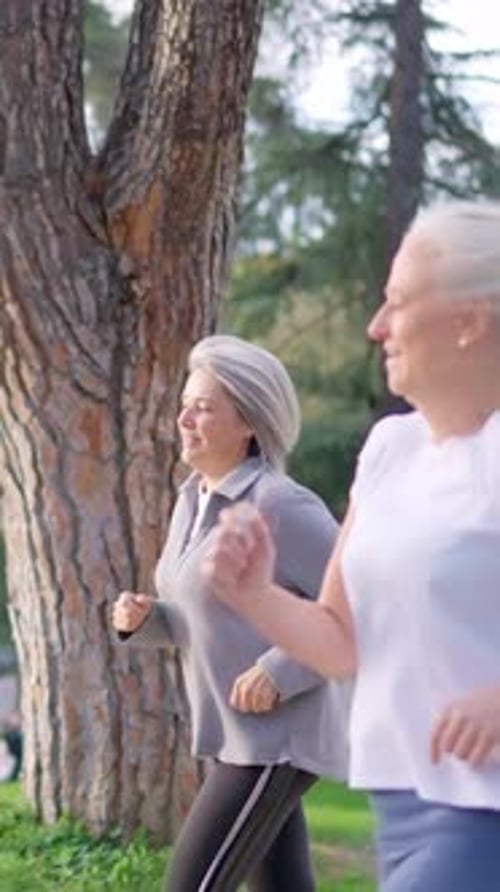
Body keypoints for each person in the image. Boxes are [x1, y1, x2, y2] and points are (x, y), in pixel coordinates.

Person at [203, 200, 500, 892]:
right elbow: (341, 641)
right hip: (399, 805)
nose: (376, 327)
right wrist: (255, 593)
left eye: (397, 303)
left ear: (470, 320)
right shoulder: (390, 450)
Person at [112, 334, 350, 892]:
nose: (184, 419)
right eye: (185, 405)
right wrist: (146, 618)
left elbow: (358, 608)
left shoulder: (280, 504)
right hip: (238, 736)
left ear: (247, 422)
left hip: (278, 741)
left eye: (203, 407)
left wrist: (280, 670)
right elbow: (201, 617)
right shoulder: (192, 499)